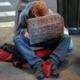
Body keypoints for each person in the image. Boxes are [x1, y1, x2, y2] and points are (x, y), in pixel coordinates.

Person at [13, 1, 72, 80]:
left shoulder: (50, 12)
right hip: (32, 40)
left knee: (66, 38)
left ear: (47, 11)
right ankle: (38, 65)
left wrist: (57, 30)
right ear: (34, 11)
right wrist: (24, 32)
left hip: (47, 38)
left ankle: (52, 62)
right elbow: (18, 31)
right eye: (39, 17)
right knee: (17, 39)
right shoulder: (24, 14)